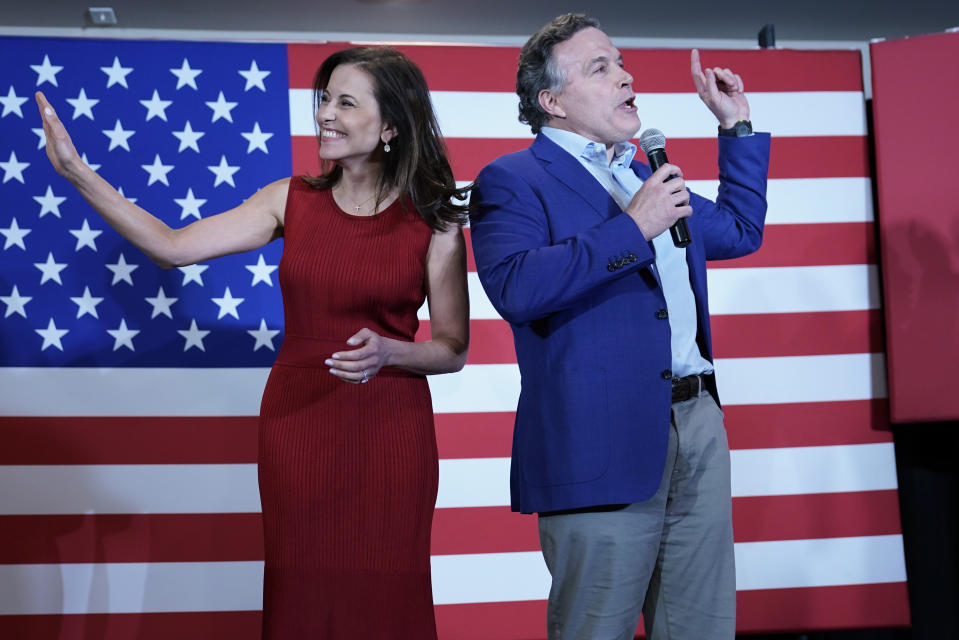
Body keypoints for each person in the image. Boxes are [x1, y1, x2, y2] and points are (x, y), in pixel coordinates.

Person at [36, 46, 469, 639]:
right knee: (302, 587)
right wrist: (78, 174)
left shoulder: (436, 221)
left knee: (386, 591)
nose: (325, 115)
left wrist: (393, 351)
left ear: (391, 124)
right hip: (299, 423)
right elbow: (172, 246)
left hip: (389, 427)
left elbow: (452, 347)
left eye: (345, 102)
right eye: (324, 100)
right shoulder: (288, 198)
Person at [469, 13, 770, 640]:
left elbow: (740, 232)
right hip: (596, 441)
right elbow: (517, 287)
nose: (625, 76)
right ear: (551, 101)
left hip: (696, 427)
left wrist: (735, 127)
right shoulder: (513, 180)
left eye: (621, 62)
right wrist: (634, 227)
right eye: (599, 67)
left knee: (699, 627)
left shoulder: (643, 173)